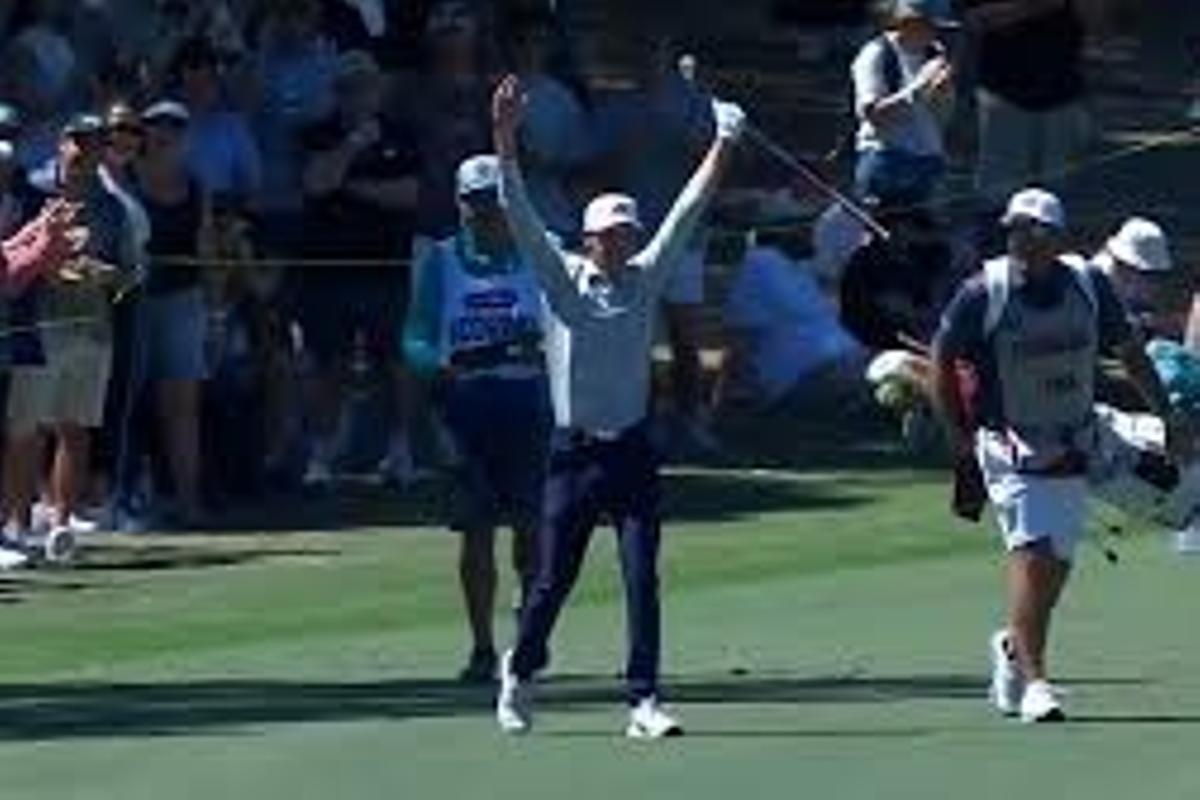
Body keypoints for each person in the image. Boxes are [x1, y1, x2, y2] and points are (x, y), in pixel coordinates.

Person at [491, 74, 745, 738]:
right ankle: (520, 669)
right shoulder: (559, 276)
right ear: (588, 237)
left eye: (628, 231)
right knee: (552, 580)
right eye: (610, 233)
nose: (622, 241)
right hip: (572, 454)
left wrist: (724, 139)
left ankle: (643, 699)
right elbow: (517, 210)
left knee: (641, 574)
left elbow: (690, 204)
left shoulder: (646, 273)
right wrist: (505, 138)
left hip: (632, 447)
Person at [931, 187, 1191, 723]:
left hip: (1083, 435)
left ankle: (1012, 650)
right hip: (1015, 445)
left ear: (1056, 236)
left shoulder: (1090, 286)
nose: (1021, 238)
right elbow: (942, 359)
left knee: (1058, 564)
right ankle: (1035, 684)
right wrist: (958, 441)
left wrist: (1169, 417)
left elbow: (1130, 354)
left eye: (1034, 229)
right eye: (1014, 229)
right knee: (1039, 555)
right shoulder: (984, 291)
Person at [404, 154, 548, 683]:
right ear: (461, 205)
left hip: (526, 400)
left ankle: (529, 635)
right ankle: (483, 646)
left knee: (532, 526)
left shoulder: (538, 254)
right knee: (476, 529)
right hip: (466, 404)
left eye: (494, 204)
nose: (485, 214)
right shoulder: (440, 261)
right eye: (476, 203)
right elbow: (416, 335)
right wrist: (433, 365)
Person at [2, 115, 132, 564]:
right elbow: (14, 259)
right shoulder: (35, 193)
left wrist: (104, 275)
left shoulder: (112, 206)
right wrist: (51, 261)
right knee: (26, 429)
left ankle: (59, 525)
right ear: (61, 144)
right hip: (36, 327)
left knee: (75, 427)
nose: (84, 152)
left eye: (95, 145)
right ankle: (15, 526)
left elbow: (128, 272)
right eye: (78, 142)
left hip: (91, 328)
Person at [298, 49, 422, 488]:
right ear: (338, 93)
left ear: (379, 90)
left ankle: (401, 450)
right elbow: (315, 182)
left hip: (387, 269)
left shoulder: (402, 135)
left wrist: (349, 186)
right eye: (349, 88)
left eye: (366, 87)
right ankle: (320, 455)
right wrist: (352, 146)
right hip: (329, 272)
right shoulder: (318, 134)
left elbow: (410, 193)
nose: (358, 96)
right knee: (327, 363)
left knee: (397, 363)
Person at [594, 39, 720, 454]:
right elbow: (600, 164)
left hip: (681, 237)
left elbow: (710, 157)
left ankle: (692, 420)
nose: (648, 66)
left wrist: (683, 126)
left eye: (655, 59)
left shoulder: (693, 104)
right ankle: (641, 421)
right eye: (641, 59)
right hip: (631, 240)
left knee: (686, 335)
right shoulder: (620, 109)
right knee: (634, 338)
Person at [131, 99, 211, 526]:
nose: (166, 134)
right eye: (157, 126)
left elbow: (204, 248)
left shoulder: (196, 186)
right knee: (129, 401)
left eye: (175, 127)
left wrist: (213, 309)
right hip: (133, 300)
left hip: (183, 299)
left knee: (182, 404)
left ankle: (187, 500)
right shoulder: (126, 180)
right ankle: (126, 494)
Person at [962, 0, 1089, 207]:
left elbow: (1104, 20)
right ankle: (995, 235)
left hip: (1063, 92)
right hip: (1003, 93)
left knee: (1057, 198)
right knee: (998, 196)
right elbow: (975, 19)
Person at [850, 0, 956, 207]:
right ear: (908, 22)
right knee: (879, 233)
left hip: (929, 162)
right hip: (886, 161)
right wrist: (918, 86)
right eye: (931, 26)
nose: (937, 33)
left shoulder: (935, 53)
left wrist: (943, 94)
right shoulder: (876, 54)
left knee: (925, 237)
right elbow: (875, 116)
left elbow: (943, 119)